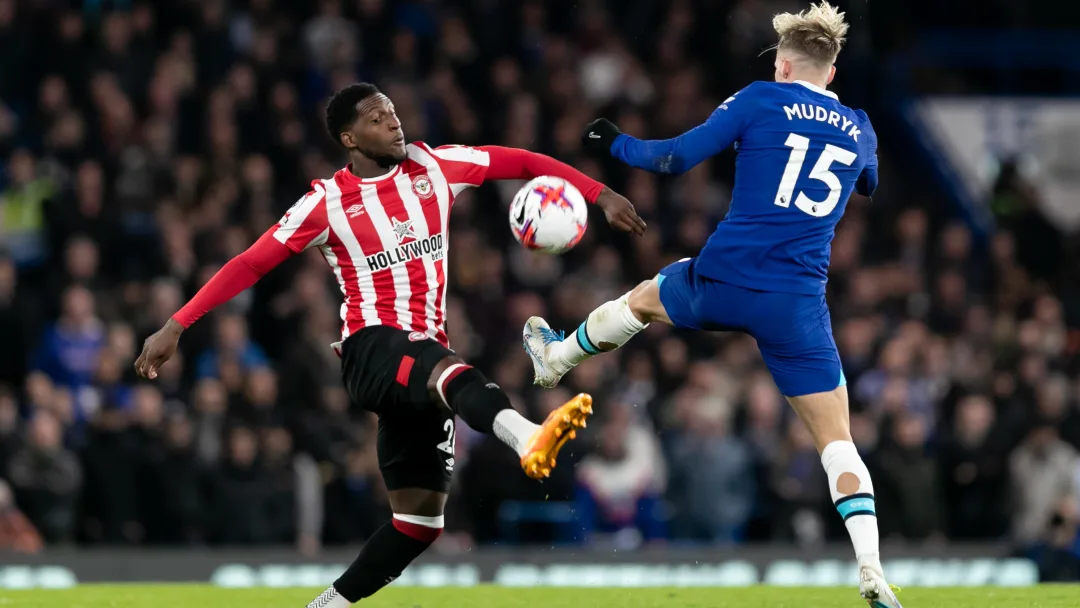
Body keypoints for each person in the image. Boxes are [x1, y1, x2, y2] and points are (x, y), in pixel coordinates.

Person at [134, 82, 646, 607]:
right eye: (379, 118)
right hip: (371, 348)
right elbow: (250, 262)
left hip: (421, 360)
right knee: (448, 370)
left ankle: (324, 606)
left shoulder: (436, 166)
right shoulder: (326, 202)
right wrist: (177, 323)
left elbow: (520, 160)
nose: (395, 123)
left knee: (418, 523)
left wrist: (598, 193)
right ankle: (526, 436)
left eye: (394, 113)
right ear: (350, 137)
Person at [523, 3, 900, 607]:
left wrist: (613, 142)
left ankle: (556, 361)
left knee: (643, 298)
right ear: (831, 72)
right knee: (838, 441)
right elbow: (870, 184)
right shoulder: (859, 125)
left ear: (782, 66)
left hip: (724, 278)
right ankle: (871, 565)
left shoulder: (758, 97)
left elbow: (673, 157)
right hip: (795, 302)